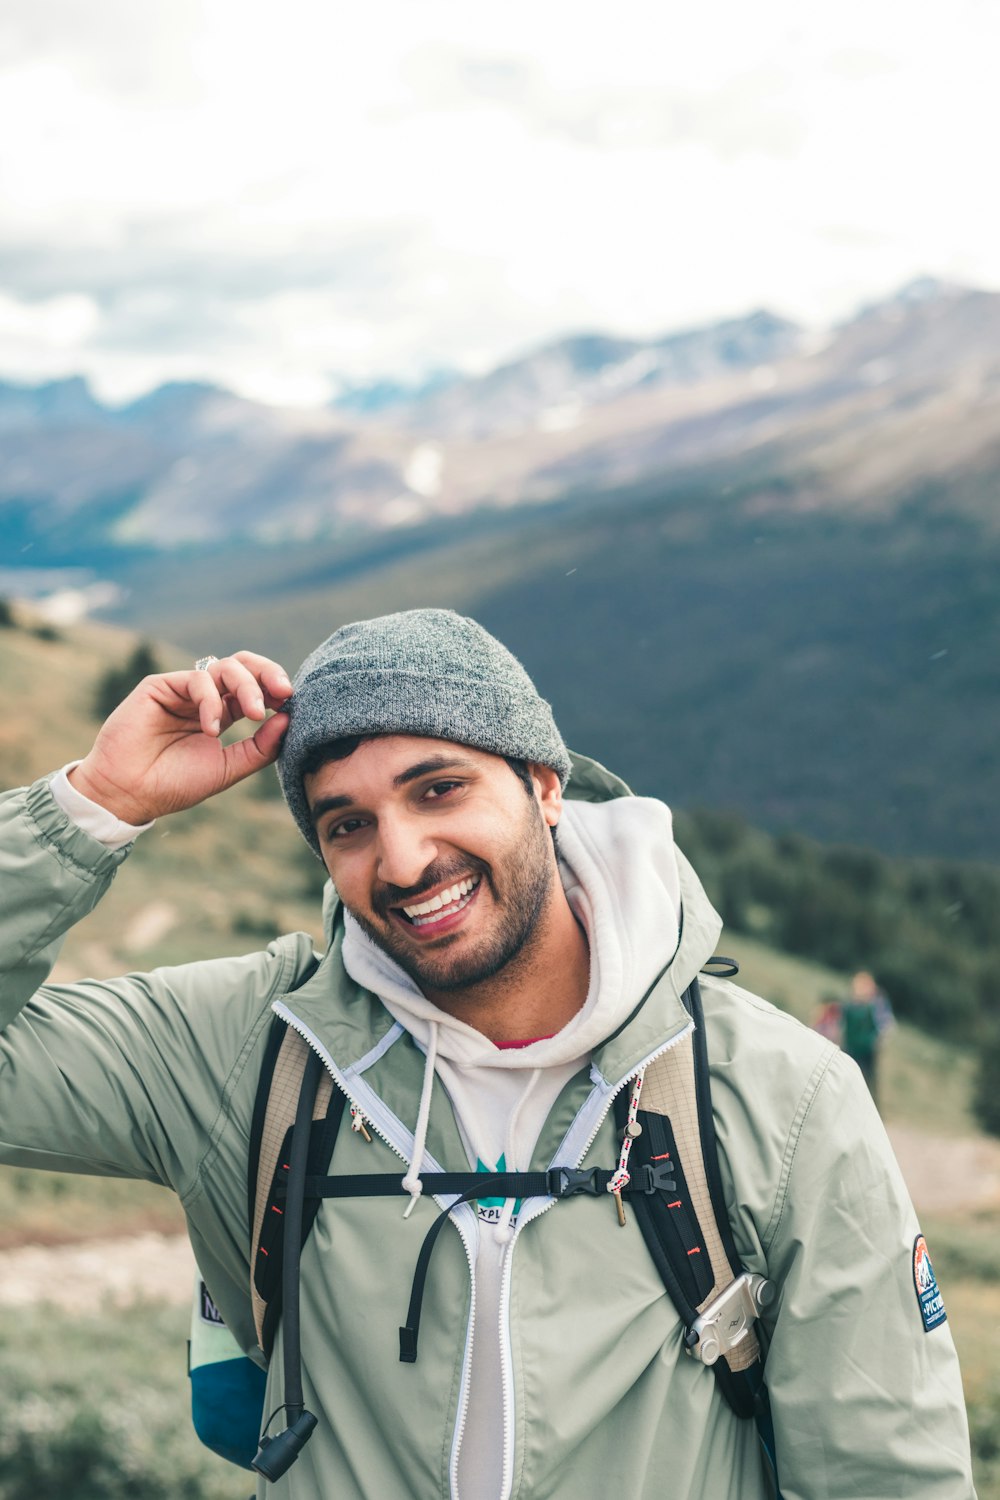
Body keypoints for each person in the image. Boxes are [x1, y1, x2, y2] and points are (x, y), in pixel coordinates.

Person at [0, 609, 975, 1500]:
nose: (406, 857)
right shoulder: (248, 1045)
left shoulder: (777, 1089)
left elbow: (884, 1475)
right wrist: (96, 803)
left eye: (439, 789)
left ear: (543, 784)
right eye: (348, 824)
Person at [842, 969, 895, 1106]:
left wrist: (879, 1041)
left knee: (868, 1080)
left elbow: (886, 1025)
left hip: (867, 1049)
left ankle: (870, 1106)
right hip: (851, 1046)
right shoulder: (849, 1006)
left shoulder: (876, 1005)